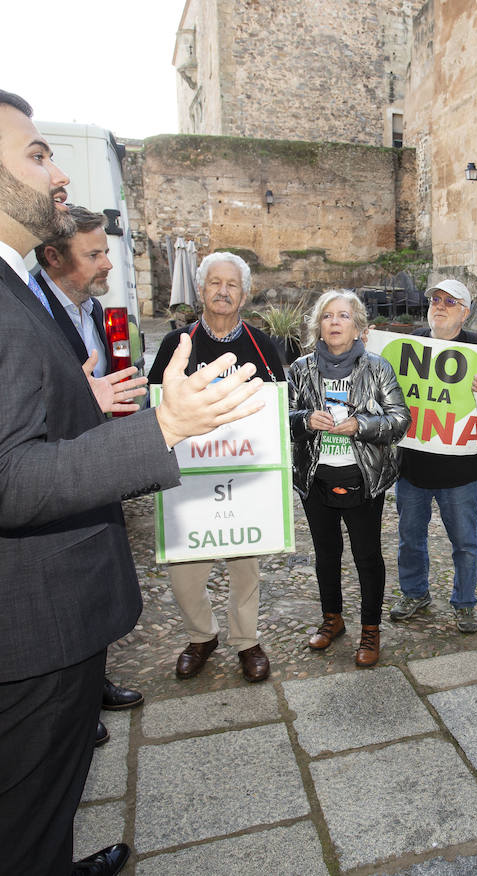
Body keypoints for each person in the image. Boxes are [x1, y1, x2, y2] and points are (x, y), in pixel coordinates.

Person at [0, 86, 266, 876]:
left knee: (36, 803)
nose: (56, 175)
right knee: (26, 804)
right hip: (19, 612)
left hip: (9, 597)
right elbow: (4, 478)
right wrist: (166, 429)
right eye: (36, 154)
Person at [34, 204, 149, 745]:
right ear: (53, 257)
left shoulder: (95, 309)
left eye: (106, 250)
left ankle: (92, 681)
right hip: (56, 468)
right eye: (95, 253)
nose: (108, 262)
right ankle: (69, 707)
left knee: (96, 575)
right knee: (64, 587)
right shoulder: (31, 309)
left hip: (96, 459)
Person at [147, 251, 285, 683]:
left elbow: (279, 408)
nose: (223, 292)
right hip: (189, 477)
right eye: (215, 283)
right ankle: (201, 636)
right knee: (185, 570)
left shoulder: (263, 345)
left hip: (245, 476)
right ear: (202, 289)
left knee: (245, 567)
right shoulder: (177, 343)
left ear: (244, 295)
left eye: (232, 285)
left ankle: (247, 641)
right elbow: (154, 408)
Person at [289, 290, 409, 667]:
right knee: (326, 554)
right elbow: (282, 419)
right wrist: (304, 421)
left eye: (343, 315)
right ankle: (332, 619)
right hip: (315, 476)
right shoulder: (300, 369)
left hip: (363, 476)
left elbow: (400, 420)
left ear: (358, 327)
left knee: (367, 555)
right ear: (318, 326)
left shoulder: (378, 368)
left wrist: (362, 425)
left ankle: (370, 629)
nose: (335, 322)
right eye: (328, 316)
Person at [388, 279, 477, 633]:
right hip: (412, 467)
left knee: (465, 543)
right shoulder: (407, 344)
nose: (440, 306)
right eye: (435, 300)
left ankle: (464, 603)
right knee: (409, 539)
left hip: (461, 470)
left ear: (465, 311)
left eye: (450, 301)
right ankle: (415, 593)